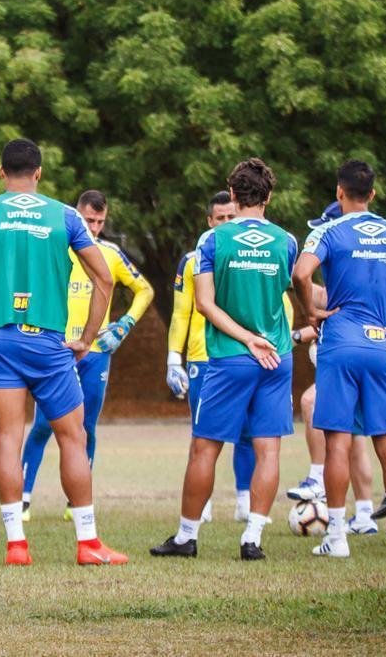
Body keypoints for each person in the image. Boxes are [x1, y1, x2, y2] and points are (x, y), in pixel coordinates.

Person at [0, 138, 127, 566]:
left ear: (2, 173)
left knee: (7, 438)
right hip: (48, 341)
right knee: (73, 437)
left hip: (0, 339)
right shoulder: (65, 215)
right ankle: (88, 544)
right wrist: (88, 337)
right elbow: (105, 280)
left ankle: (16, 545)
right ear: (38, 173)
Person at [291, 160, 386, 559]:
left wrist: (311, 313)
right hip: (381, 346)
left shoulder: (328, 230)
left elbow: (301, 274)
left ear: (339, 192)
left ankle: (337, 538)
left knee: (338, 442)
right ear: (372, 194)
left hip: (339, 344)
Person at [150, 159, 294, 561]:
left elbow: (204, 304)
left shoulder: (211, 242)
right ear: (268, 196)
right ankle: (253, 538)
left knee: (205, 448)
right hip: (276, 357)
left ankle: (186, 537)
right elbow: (289, 290)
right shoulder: (287, 241)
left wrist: (247, 339)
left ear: (232, 195)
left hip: (231, 357)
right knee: (268, 450)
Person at [20, 189, 154, 521]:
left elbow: (145, 290)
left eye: (100, 221)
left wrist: (124, 325)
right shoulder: (56, 248)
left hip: (95, 353)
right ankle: (23, 498)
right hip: (57, 351)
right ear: (75, 215)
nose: (93, 227)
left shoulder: (109, 253)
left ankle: (77, 503)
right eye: (88, 220)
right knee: (42, 426)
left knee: (87, 427)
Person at [168, 190, 264, 523]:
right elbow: (182, 313)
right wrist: (172, 358)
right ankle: (201, 502)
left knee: (250, 431)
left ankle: (243, 500)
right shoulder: (194, 258)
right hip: (202, 356)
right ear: (210, 221)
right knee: (204, 434)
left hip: (242, 351)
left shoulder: (252, 253)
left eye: (231, 217)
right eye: (220, 218)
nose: (225, 222)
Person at [287, 201, 379, 535]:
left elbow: (331, 307)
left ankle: (318, 478)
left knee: (312, 403)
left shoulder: (346, 267)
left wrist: (304, 322)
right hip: (375, 351)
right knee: (358, 440)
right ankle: (367, 515)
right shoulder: (366, 265)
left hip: (348, 356)